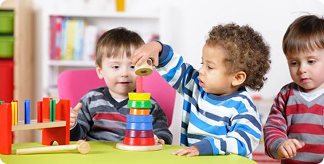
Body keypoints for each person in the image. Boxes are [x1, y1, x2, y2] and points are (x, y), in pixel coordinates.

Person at [132, 23, 271, 158]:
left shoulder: (243, 107)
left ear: (237, 77)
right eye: (202, 63)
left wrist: (206, 147)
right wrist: (158, 48)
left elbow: (244, 141)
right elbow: (175, 69)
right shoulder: (196, 86)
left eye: (210, 67)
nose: (201, 71)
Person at [69, 27, 172, 145]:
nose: (124, 74)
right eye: (116, 67)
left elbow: (164, 133)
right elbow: (76, 138)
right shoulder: (91, 100)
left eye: (132, 67)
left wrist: (158, 139)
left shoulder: (148, 104)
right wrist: (73, 125)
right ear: (100, 71)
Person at [263, 15, 324, 163]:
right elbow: (273, 127)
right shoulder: (286, 95)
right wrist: (279, 145)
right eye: (294, 63)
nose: (302, 69)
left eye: (311, 61)